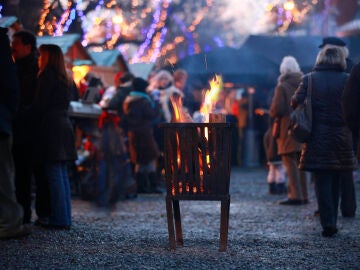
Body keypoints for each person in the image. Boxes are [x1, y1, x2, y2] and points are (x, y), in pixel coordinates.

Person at [291, 47, 357, 237]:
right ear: (340, 60)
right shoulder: (347, 79)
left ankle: (328, 222)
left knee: (322, 181)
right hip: (342, 137)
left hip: (317, 136)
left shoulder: (309, 79)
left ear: (320, 59)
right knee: (336, 178)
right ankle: (332, 220)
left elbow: (294, 102)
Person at [33, 44, 77, 229]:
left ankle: (59, 219)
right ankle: (64, 217)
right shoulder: (65, 78)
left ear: (47, 57)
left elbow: (39, 104)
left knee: (54, 172)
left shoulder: (46, 76)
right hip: (64, 126)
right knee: (61, 173)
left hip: (51, 127)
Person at [11, 29, 50, 224]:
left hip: (29, 128)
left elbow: (32, 100)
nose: (12, 47)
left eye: (16, 43)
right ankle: (31, 212)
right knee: (27, 172)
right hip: (26, 127)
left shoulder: (34, 70)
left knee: (30, 171)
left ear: (28, 46)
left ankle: (32, 212)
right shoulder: (22, 67)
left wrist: (22, 113)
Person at [0, 27, 31, 239]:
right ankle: (11, 221)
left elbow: (11, 90)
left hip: (3, 122)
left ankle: (11, 221)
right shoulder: (9, 60)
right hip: (3, 121)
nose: (13, 48)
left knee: (3, 175)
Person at [269, 56, 308, 205]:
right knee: (301, 162)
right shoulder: (305, 82)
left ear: (283, 70)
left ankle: (295, 195)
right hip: (303, 126)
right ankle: (304, 195)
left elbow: (277, 109)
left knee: (289, 162)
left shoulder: (282, 86)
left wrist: (272, 111)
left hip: (287, 127)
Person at [122, 77, 162, 194]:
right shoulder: (142, 101)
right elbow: (152, 114)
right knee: (150, 157)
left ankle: (141, 185)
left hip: (133, 134)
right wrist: (157, 103)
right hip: (144, 134)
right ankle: (152, 185)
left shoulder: (128, 100)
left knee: (140, 160)